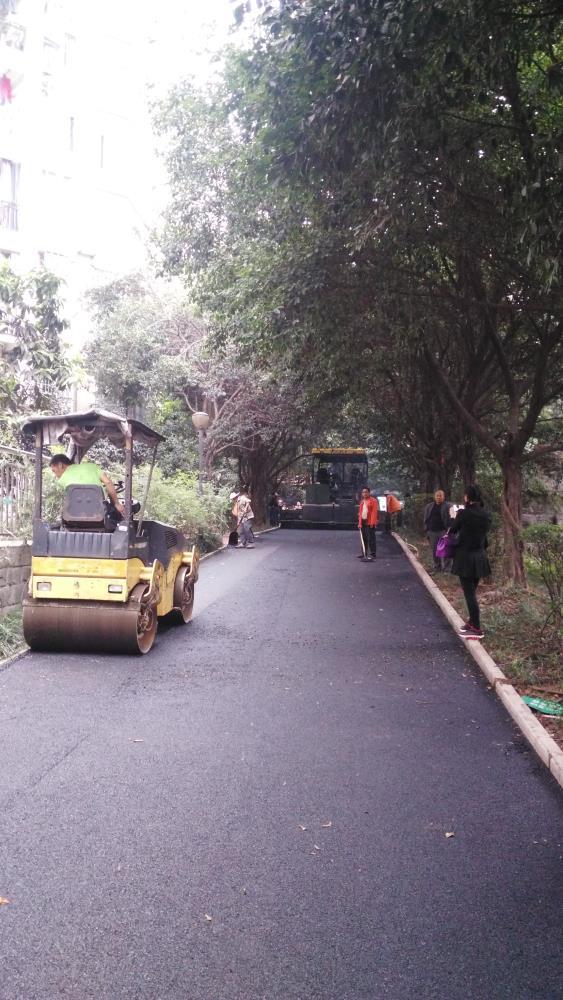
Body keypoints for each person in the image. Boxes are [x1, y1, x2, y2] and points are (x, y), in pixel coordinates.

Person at [450, 484, 491, 640]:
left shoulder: (463, 514)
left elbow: (452, 530)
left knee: (469, 594)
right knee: (472, 592)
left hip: (465, 558)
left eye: (465, 495)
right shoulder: (486, 514)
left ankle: (476, 628)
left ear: (467, 497)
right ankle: (471, 622)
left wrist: (454, 517)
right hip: (480, 557)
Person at [49, 454, 124, 515]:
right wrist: (117, 504)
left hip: (75, 515)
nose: (56, 475)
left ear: (60, 465)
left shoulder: (61, 481)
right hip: (99, 512)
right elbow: (107, 482)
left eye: (54, 471)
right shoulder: (92, 466)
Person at [423, 489, 453, 571]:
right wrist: (426, 529)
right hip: (432, 531)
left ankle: (447, 568)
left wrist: (450, 530)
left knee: (446, 549)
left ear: (444, 497)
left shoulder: (449, 506)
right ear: (434, 497)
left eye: (440, 496)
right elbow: (426, 518)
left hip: (443, 531)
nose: (439, 497)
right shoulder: (429, 506)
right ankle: (437, 566)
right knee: (435, 550)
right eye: (437, 496)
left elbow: (453, 518)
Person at [357, 487, 378, 561]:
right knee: (364, 538)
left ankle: (373, 554)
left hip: (369, 522)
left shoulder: (373, 501)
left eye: (366, 492)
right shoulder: (362, 501)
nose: (364, 493)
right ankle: (364, 553)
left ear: (369, 493)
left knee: (371, 539)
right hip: (363, 522)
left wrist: (372, 523)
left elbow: (374, 513)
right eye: (363, 492)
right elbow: (360, 513)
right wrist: (359, 523)